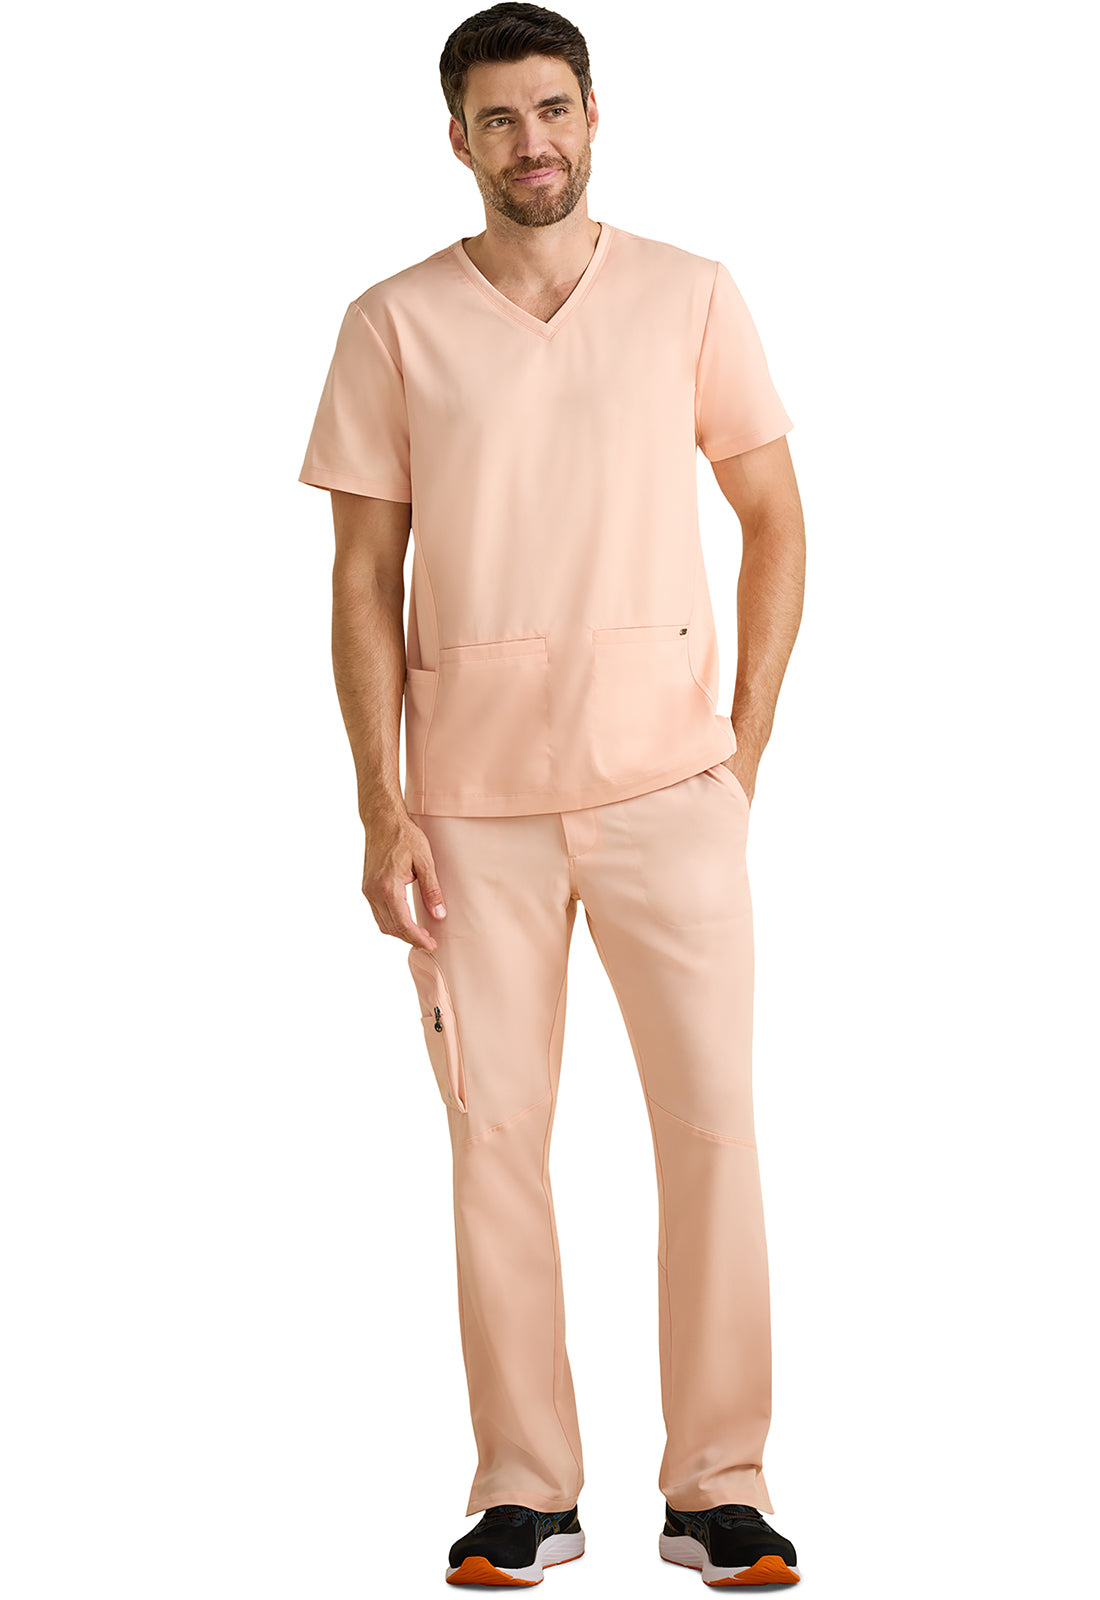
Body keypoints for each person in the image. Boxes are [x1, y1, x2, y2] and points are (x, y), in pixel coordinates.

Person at [297, 3, 806, 1587]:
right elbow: (361, 577)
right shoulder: (392, 324)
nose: (535, 142)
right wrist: (381, 808)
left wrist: (741, 747)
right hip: (470, 810)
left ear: (596, 115)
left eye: (556, 108)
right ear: (457, 139)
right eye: (502, 118)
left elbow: (778, 519)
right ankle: (525, 1487)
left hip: (670, 791)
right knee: (496, 1143)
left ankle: (719, 1486)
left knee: (711, 1132)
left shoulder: (690, 296)